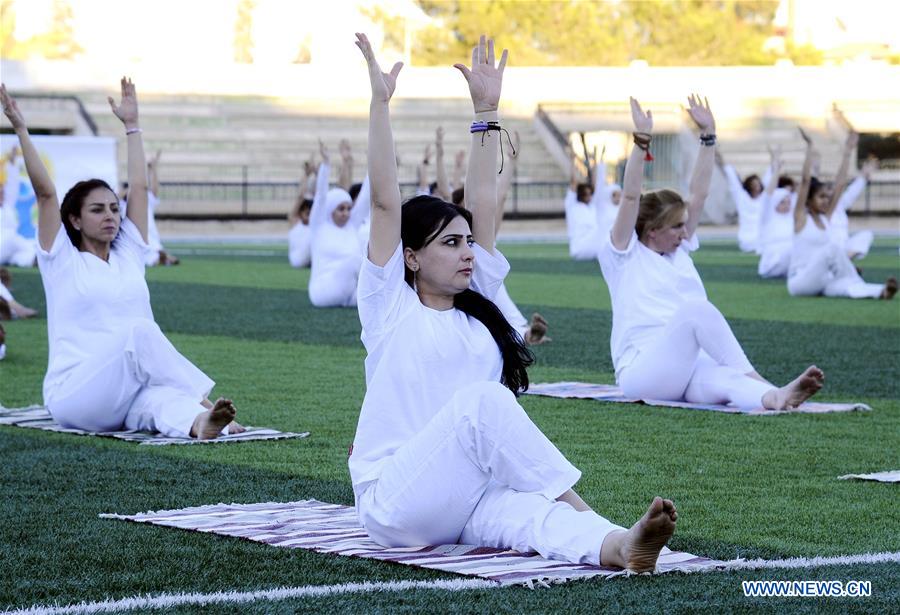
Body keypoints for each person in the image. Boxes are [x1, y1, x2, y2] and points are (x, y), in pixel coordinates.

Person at [350, 32, 677, 573]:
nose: (467, 253)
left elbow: (482, 201)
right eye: (451, 244)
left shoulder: (476, 306)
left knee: (531, 517)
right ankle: (591, 512)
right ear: (410, 258)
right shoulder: (389, 307)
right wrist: (380, 104)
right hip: (396, 503)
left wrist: (487, 112)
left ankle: (619, 544)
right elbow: (386, 201)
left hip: (464, 493)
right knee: (484, 403)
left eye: (469, 243)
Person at [0, 79, 243, 439]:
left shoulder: (128, 252)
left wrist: (133, 127)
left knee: (159, 400)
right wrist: (21, 128)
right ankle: (202, 401)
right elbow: (46, 194)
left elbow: (139, 189)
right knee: (141, 331)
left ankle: (200, 422)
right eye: (97, 210)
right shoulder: (61, 260)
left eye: (114, 208)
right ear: (75, 220)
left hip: (124, 391)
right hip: (75, 395)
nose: (111, 216)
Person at [599, 95, 825, 411]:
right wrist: (641, 141)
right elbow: (631, 197)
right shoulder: (623, 256)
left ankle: (774, 396)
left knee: (726, 382)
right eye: (677, 227)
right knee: (697, 310)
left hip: (687, 368)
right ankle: (761, 381)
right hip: (642, 373)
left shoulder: (679, 250)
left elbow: (699, 193)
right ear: (652, 229)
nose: (685, 232)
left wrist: (709, 136)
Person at [787, 131, 896, 299]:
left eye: (827, 197)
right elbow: (805, 182)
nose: (826, 201)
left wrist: (847, 152)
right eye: (821, 197)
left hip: (821, 279)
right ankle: (853, 275)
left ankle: (881, 291)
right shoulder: (800, 218)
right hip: (799, 281)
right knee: (832, 249)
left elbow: (840, 184)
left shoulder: (825, 218)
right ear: (809, 200)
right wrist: (809, 148)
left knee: (844, 288)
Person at [308, 140, 368, 307]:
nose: (346, 213)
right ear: (331, 209)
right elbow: (320, 196)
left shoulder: (351, 225)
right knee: (355, 259)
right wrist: (326, 164)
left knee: (378, 297)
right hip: (323, 292)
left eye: (349, 208)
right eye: (341, 209)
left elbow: (365, 197)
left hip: (347, 291)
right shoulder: (319, 226)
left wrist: (373, 165)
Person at [716, 149, 772, 253]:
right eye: (754, 185)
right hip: (747, 239)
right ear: (749, 187)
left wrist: (775, 160)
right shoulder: (742, 198)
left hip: (763, 238)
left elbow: (769, 179)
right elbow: (733, 179)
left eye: (758, 184)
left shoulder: (764, 198)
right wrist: (720, 159)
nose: (757, 187)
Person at [830, 153, 877, 261]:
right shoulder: (820, 211)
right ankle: (842, 262)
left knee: (867, 234)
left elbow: (851, 193)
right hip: (828, 251)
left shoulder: (839, 205)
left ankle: (844, 261)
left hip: (844, 249)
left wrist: (863, 177)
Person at [756, 148, 794, 279]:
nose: (787, 205)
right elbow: (768, 194)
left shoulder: (792, 218)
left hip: (791, 260)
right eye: (783, 202)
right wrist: (776, 170)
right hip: (773, 263)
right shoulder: (768, 216)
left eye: (789, 201)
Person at [0, 145, 37, 268]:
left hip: (9, 246)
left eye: (2, 191)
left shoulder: (6, 206)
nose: (2, 193)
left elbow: (12, 186)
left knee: (27, 249)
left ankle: (31, 260)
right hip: (5, 242)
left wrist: (12, 162)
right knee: (13, 239)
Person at [143, 149, 178, 266]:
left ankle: (160, 255)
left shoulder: (144, 200)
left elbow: (153, 190)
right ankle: (160, 256)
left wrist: (152, 169)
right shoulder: (122, 201)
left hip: (150, 239)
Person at [288, 158, 315, 268]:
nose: (309, 217)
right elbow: (300, 197)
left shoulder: (316, 224)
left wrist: (318, 174)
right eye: (307, 213)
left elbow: (319, 198)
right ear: (301, 213)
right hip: (297, 260)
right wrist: (307, 175)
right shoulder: (295, 222)